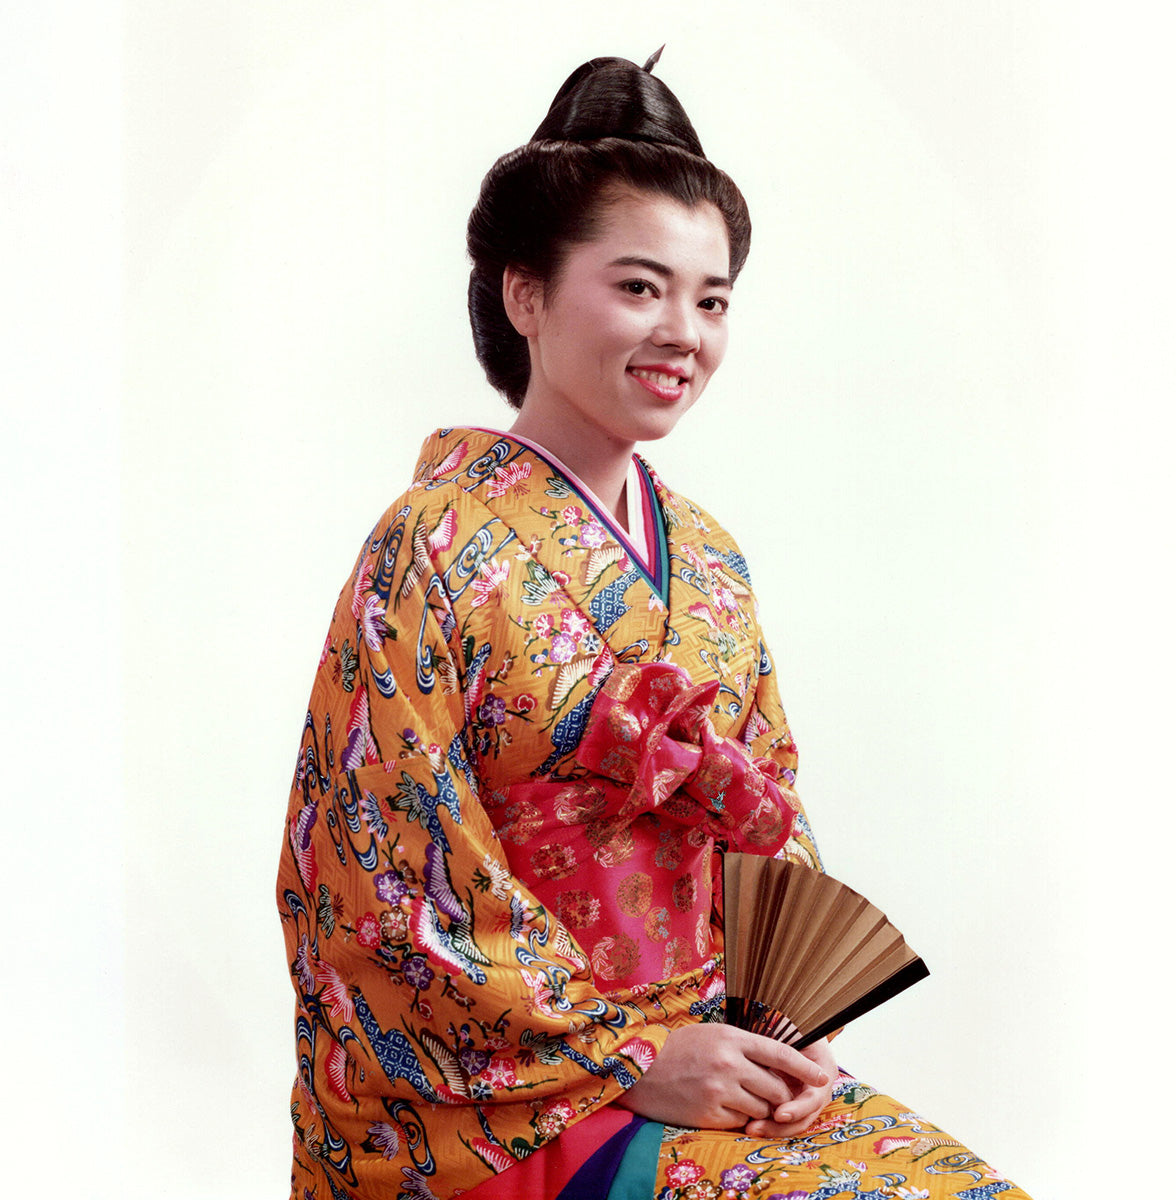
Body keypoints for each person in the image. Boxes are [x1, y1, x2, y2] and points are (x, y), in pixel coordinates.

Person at [277, 53, 1032, 1200]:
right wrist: (628, 1060)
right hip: (507, 1099)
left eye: (712, 298)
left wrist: (797, 1021)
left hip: (710, 1052)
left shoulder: (712, 560)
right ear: (524, 293)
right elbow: (377, 880)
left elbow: (767, 816)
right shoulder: (430, 545)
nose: (684, 330)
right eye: (639, 287)